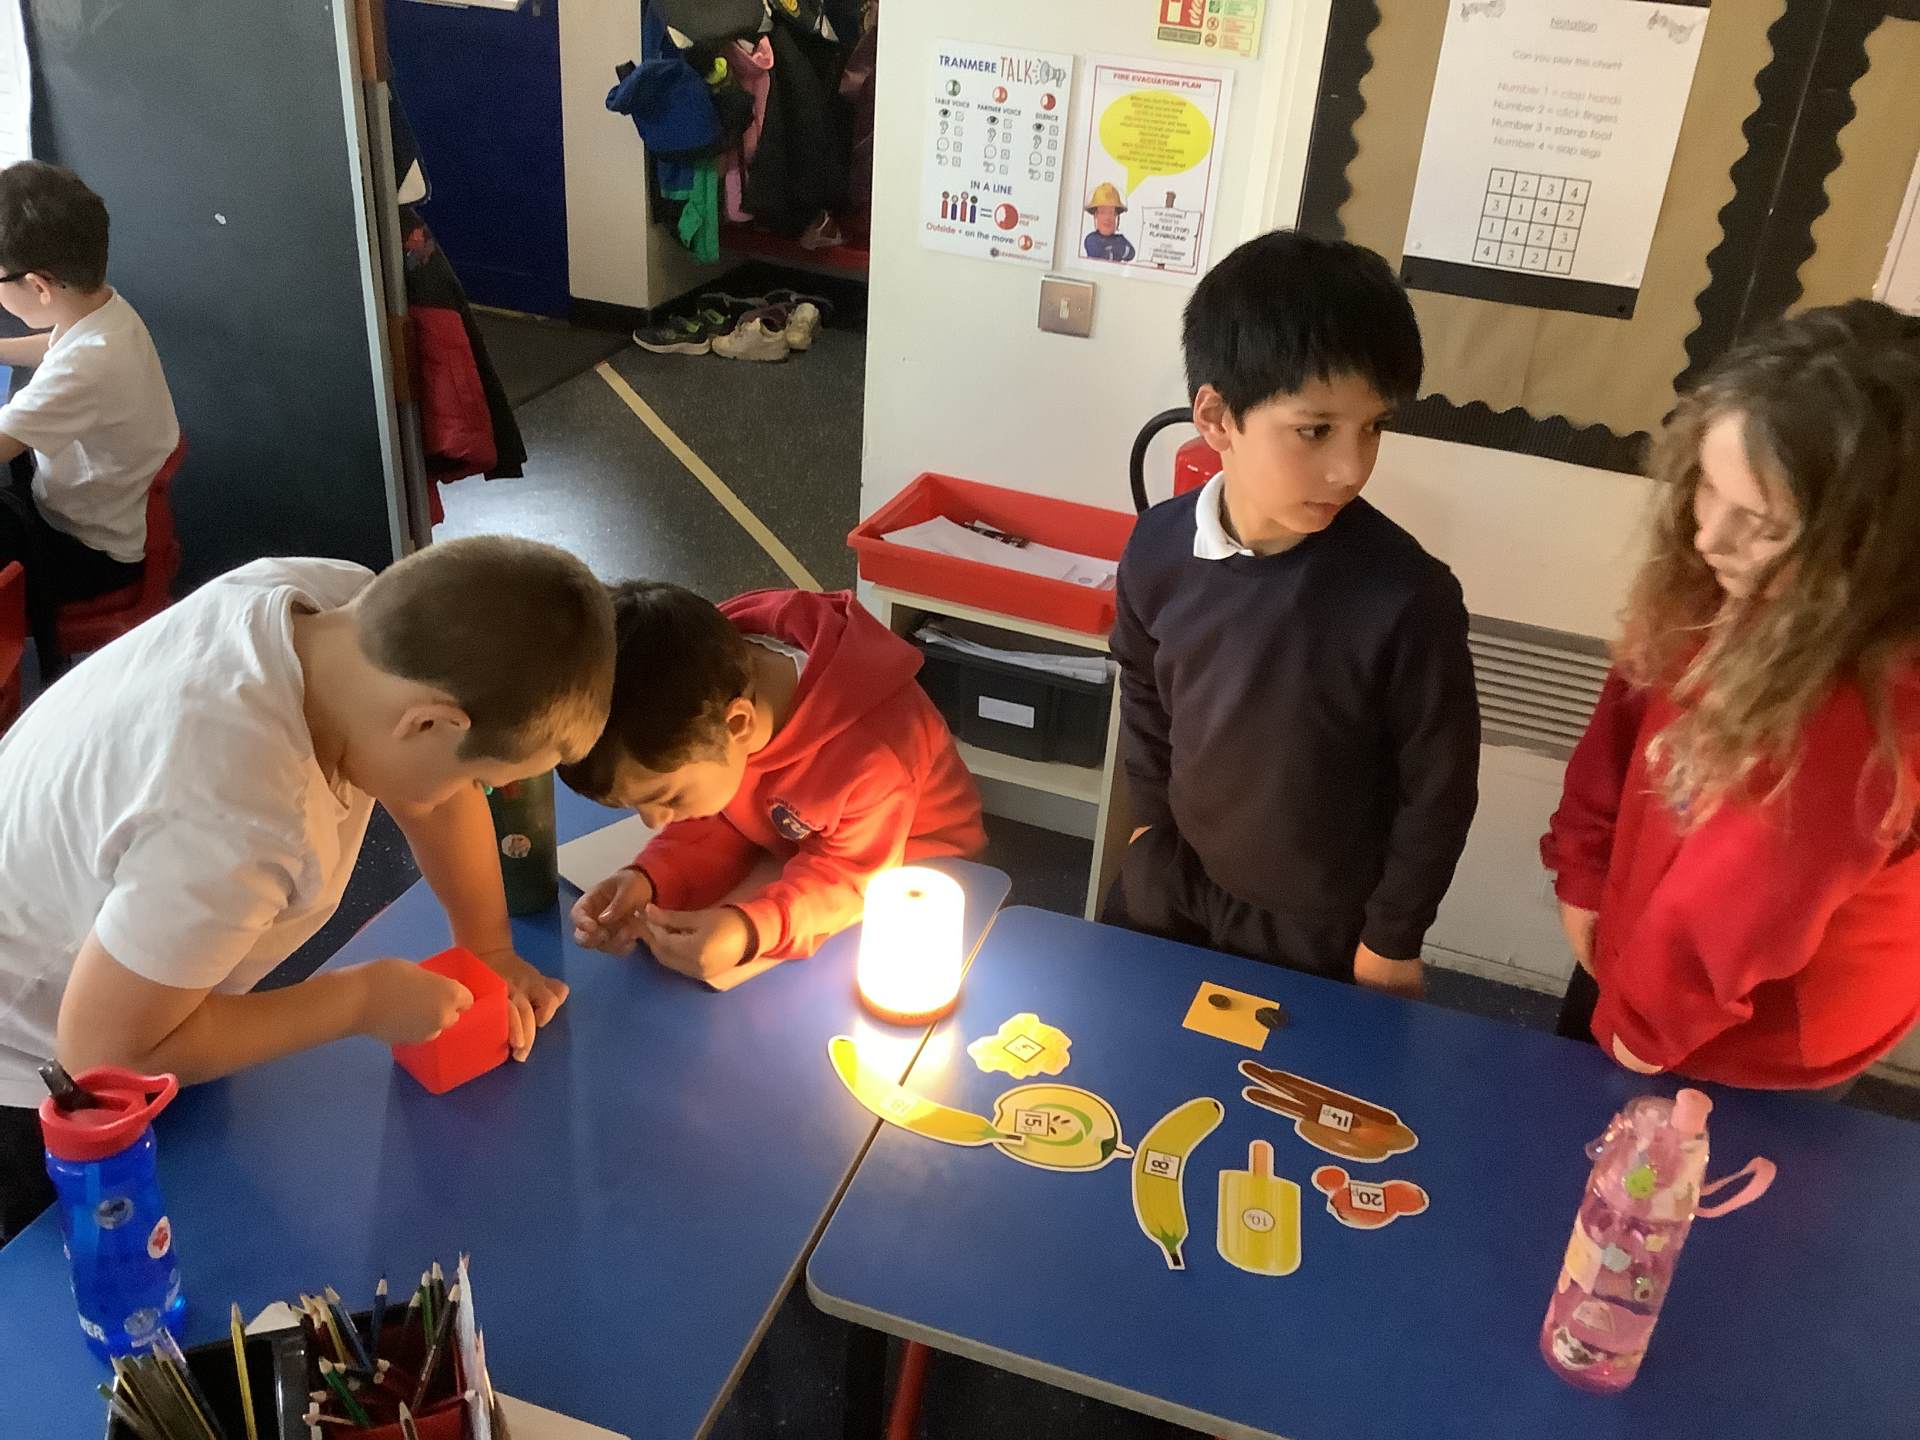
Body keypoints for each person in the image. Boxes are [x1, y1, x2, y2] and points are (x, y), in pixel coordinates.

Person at [0, 536, 616, 1240]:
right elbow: (106, 1056)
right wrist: (361, 1000)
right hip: (30, 1063)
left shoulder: (339, 610)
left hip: (118, 955)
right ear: (427, 721)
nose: (475, 793)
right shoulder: (245, 816)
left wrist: (488, 949)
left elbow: (435, 798)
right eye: (479, 778)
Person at [1542, 300, 1920, 1092]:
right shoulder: (1723, 574)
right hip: (1648, 955)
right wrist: (1583, 864)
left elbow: (1750, 895)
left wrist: (1642, 1024)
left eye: (1764, 525)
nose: (1709, 536)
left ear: (1873, 549)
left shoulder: (1873, 701)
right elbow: (1628, 711)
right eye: (1707, 488)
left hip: (1752, 1035)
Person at [1106, 229, 1481, 997]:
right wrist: (1148, 825)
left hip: (1319, 929)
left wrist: (1393, 937)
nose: (1351, 467)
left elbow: (1438, 789)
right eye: (1316, 431)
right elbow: (1142, 687)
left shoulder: (1408, 597)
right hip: (1174, 882)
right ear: (1216, 418)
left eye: (1372, 427)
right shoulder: (1157, 548)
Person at [564, 583, 986, 981]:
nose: (653, 822)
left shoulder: (873, 755)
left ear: (738, 724)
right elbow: (725, 818)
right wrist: (650, 878)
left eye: (669, 798)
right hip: (791, 844)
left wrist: (751, 931)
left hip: (913, 882)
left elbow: (847, 879)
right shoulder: (706, 690)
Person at [0, 162, 179, 676]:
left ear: (38, 286)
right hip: (106, 518)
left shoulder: (86, 367)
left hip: (86, 552)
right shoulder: (105, 312)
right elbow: (54, 346)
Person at [1083, 182, 1136, 264]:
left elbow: (1131, 254)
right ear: (1096, 215)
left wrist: (1112, 248)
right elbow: (1099, 256)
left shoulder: (1120, 239)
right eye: (1103, 212)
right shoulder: (1091, 239)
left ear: (1116, 217)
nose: (1107, 218)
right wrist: (1116, 248)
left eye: (1111, 213)